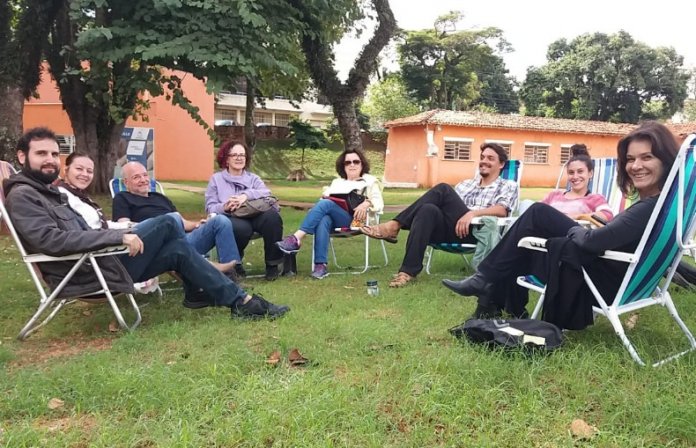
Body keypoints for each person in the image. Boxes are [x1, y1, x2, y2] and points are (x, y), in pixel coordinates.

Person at [3, 127, 289, 319]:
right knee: (167, 223)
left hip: (104, 262)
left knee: (177, 246)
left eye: (54, 153)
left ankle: (240, 302)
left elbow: (86, 229)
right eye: (42, 154)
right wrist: (119, 236)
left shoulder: (50, 192)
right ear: (21, 156)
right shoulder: (24, 196)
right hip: (86, 271)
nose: (50, 159)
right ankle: (215, 283)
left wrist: (119, 233)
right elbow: (52, 241)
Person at [442, 121, 678, 325]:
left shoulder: (648, 208)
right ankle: (487, 294)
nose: (636, 166)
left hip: (600, 283)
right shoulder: (668, 207)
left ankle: (485, 285)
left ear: (667, 161)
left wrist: (572, 227)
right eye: (630, 159)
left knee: (536, 217)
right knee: (530, 231)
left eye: (647, 157)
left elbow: (592, 240)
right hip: (616, 276)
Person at [361, 142, 519, 287]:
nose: (484, 161)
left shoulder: (507, 185)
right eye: (482, 157)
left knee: (443, 188)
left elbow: (502, 210)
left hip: (477, 232)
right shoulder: (465, 184)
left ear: (501, 164)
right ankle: (407, 272)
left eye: (490, 158)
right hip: (454, 229)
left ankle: (394, 225)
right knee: (427, 209)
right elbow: (449, 209)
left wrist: (472, 214)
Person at [112, 161, 240, 274]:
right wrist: (157, 225)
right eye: (136, 177)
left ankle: (230, 272)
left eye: (145, 175)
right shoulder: (122, 198)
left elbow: (182, 222)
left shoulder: (160, 197)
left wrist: (198, 225)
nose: (143, 179)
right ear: (126, 182)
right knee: (169, 218)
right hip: (157, 248)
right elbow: (124, 226)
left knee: (220, 220)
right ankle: (203, 263)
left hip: (182, 240)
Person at [275, 149, 384, 279]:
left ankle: (296, 238)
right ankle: (320, 266)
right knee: (323, 219)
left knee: (326, 205)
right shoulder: (337, 182)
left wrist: (367, 203)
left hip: (357, 220)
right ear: (343, 166)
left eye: (356, 161)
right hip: (335, 218)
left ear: (362, 164)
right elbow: (323, 201)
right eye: (348, 162)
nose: (352, 165)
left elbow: (379, 202)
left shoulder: (370, 181)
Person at [205, 141, 285, 280]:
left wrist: (245, 196)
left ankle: (272, 264)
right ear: (226, 159)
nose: (239, 158)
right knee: (242, 228)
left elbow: (266, 193)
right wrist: (225, 206)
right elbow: (210, 207)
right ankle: (235, 264)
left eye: (242, 155)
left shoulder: (253, 178)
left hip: (255, 214)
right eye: (234, 155)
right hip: (231, 216)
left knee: (272, 218)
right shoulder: (216, 179)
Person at [538, 144, 613, 222]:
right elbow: (536, 211)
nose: (575, 176)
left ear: (590, 173)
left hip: (569, 232)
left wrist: (575, 216)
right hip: (543, 231)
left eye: (580, 171)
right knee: (528, 203)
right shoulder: (554, 195)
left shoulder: (595, 198)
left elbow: (607, 215)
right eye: (571, 172)